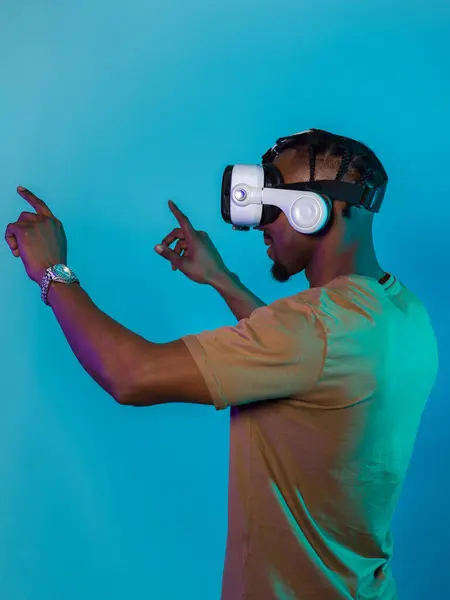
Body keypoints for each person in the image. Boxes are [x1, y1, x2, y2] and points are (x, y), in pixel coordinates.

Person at [5, 129, 438, 600]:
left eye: (273, 207)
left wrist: (51, 270)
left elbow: (130, 375)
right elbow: (313, 367)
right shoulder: (401, 313)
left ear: (318, 210)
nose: (259, 225)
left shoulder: (316, 329)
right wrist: (221, 280)